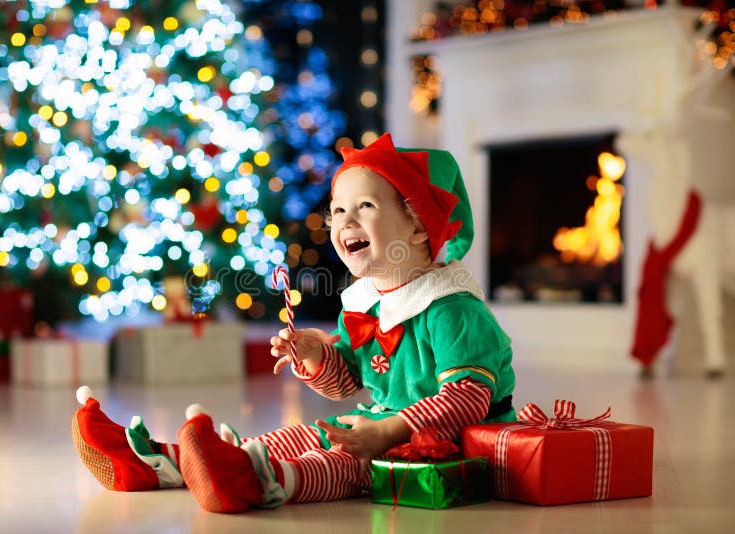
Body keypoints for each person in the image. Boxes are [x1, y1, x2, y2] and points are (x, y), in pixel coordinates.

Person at [71, 132, 516, 513]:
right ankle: (160, 462)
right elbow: (348, 382)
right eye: (337, 211)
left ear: (418, 228)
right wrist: (317, 356)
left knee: (345, 462)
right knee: (300, 435)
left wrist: (387, 430)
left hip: (448, 442)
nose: (345, 221)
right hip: (385, 423)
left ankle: (262, 481)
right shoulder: (367, 305)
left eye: (364, 206)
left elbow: (466, 399)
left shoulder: (452, 309)